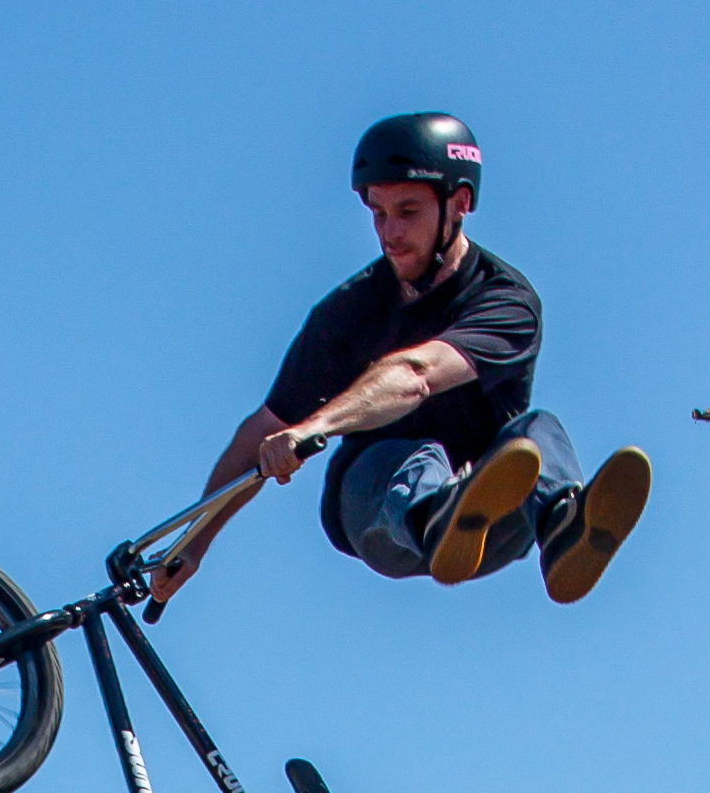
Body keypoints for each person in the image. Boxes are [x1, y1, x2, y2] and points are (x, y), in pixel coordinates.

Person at [149, 112, 652, 608]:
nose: (389, 232)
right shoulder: (347, 314)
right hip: (380, 516)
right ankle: (436, 512)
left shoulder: (506, 300)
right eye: (378, 213)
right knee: (398, 457)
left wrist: (316, 426)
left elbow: (418, 375)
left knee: (539, 430)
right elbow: (260, 431)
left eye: (408, 212)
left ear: (459, 204)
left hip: (494, 525)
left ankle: (563, 525)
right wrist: (192, 544)